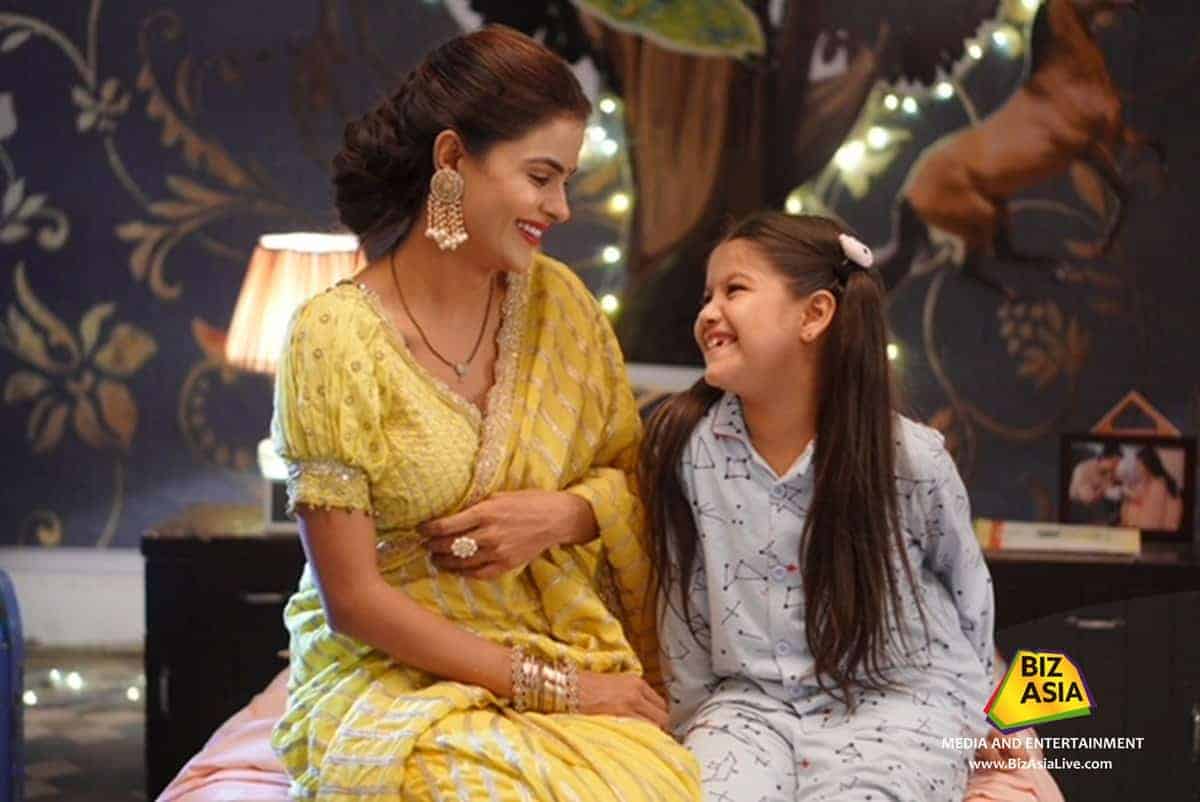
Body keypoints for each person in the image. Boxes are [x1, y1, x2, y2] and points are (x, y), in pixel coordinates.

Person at [270, 25, 699, 802]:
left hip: (556, 634)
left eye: (566, 181)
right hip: (390, 674)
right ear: (451, 159)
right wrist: (559, 690)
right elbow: (353, 601)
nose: (560, 207)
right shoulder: (333, 338)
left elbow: (632, 477)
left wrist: (564, 515)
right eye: (541, 177)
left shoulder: (561, 306)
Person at [640, 212, 996, 801]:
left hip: (900, 701)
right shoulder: (690, 452)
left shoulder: (908, 456)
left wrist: (981, 724)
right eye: (707, 296)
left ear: (814, 315)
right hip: (750, 706)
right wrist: (694, 725)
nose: (708, 312)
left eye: (734, 290)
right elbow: (685, 607)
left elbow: (968, 594)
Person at [1120, 446, 1183, 531]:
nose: (1137, 469)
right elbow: (1136, 498)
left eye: (1139, 465)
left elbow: (1150, 523)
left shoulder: (1158, 486)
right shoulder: (1149, 482)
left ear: (1148, 466)